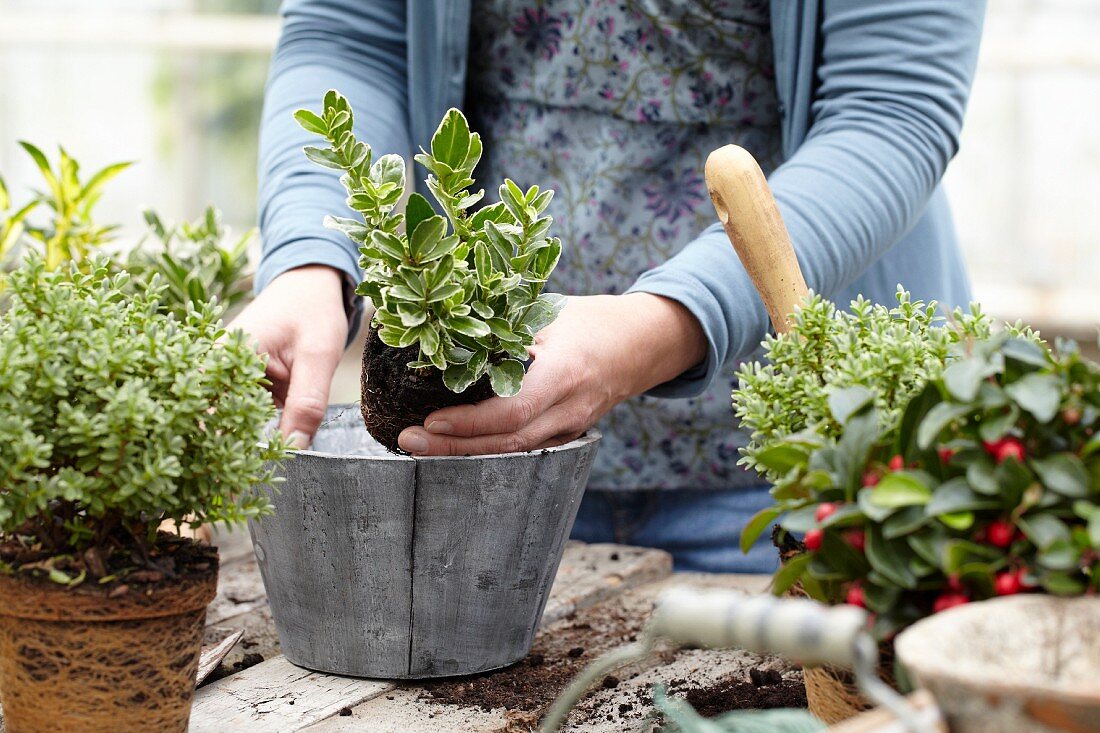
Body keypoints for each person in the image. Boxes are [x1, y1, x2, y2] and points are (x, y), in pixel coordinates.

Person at [230, 1, 987, 572]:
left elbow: (889, 110)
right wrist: (308, 255)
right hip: (484, 474)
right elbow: (351, 34)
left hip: (790, 472)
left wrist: (667, 322)